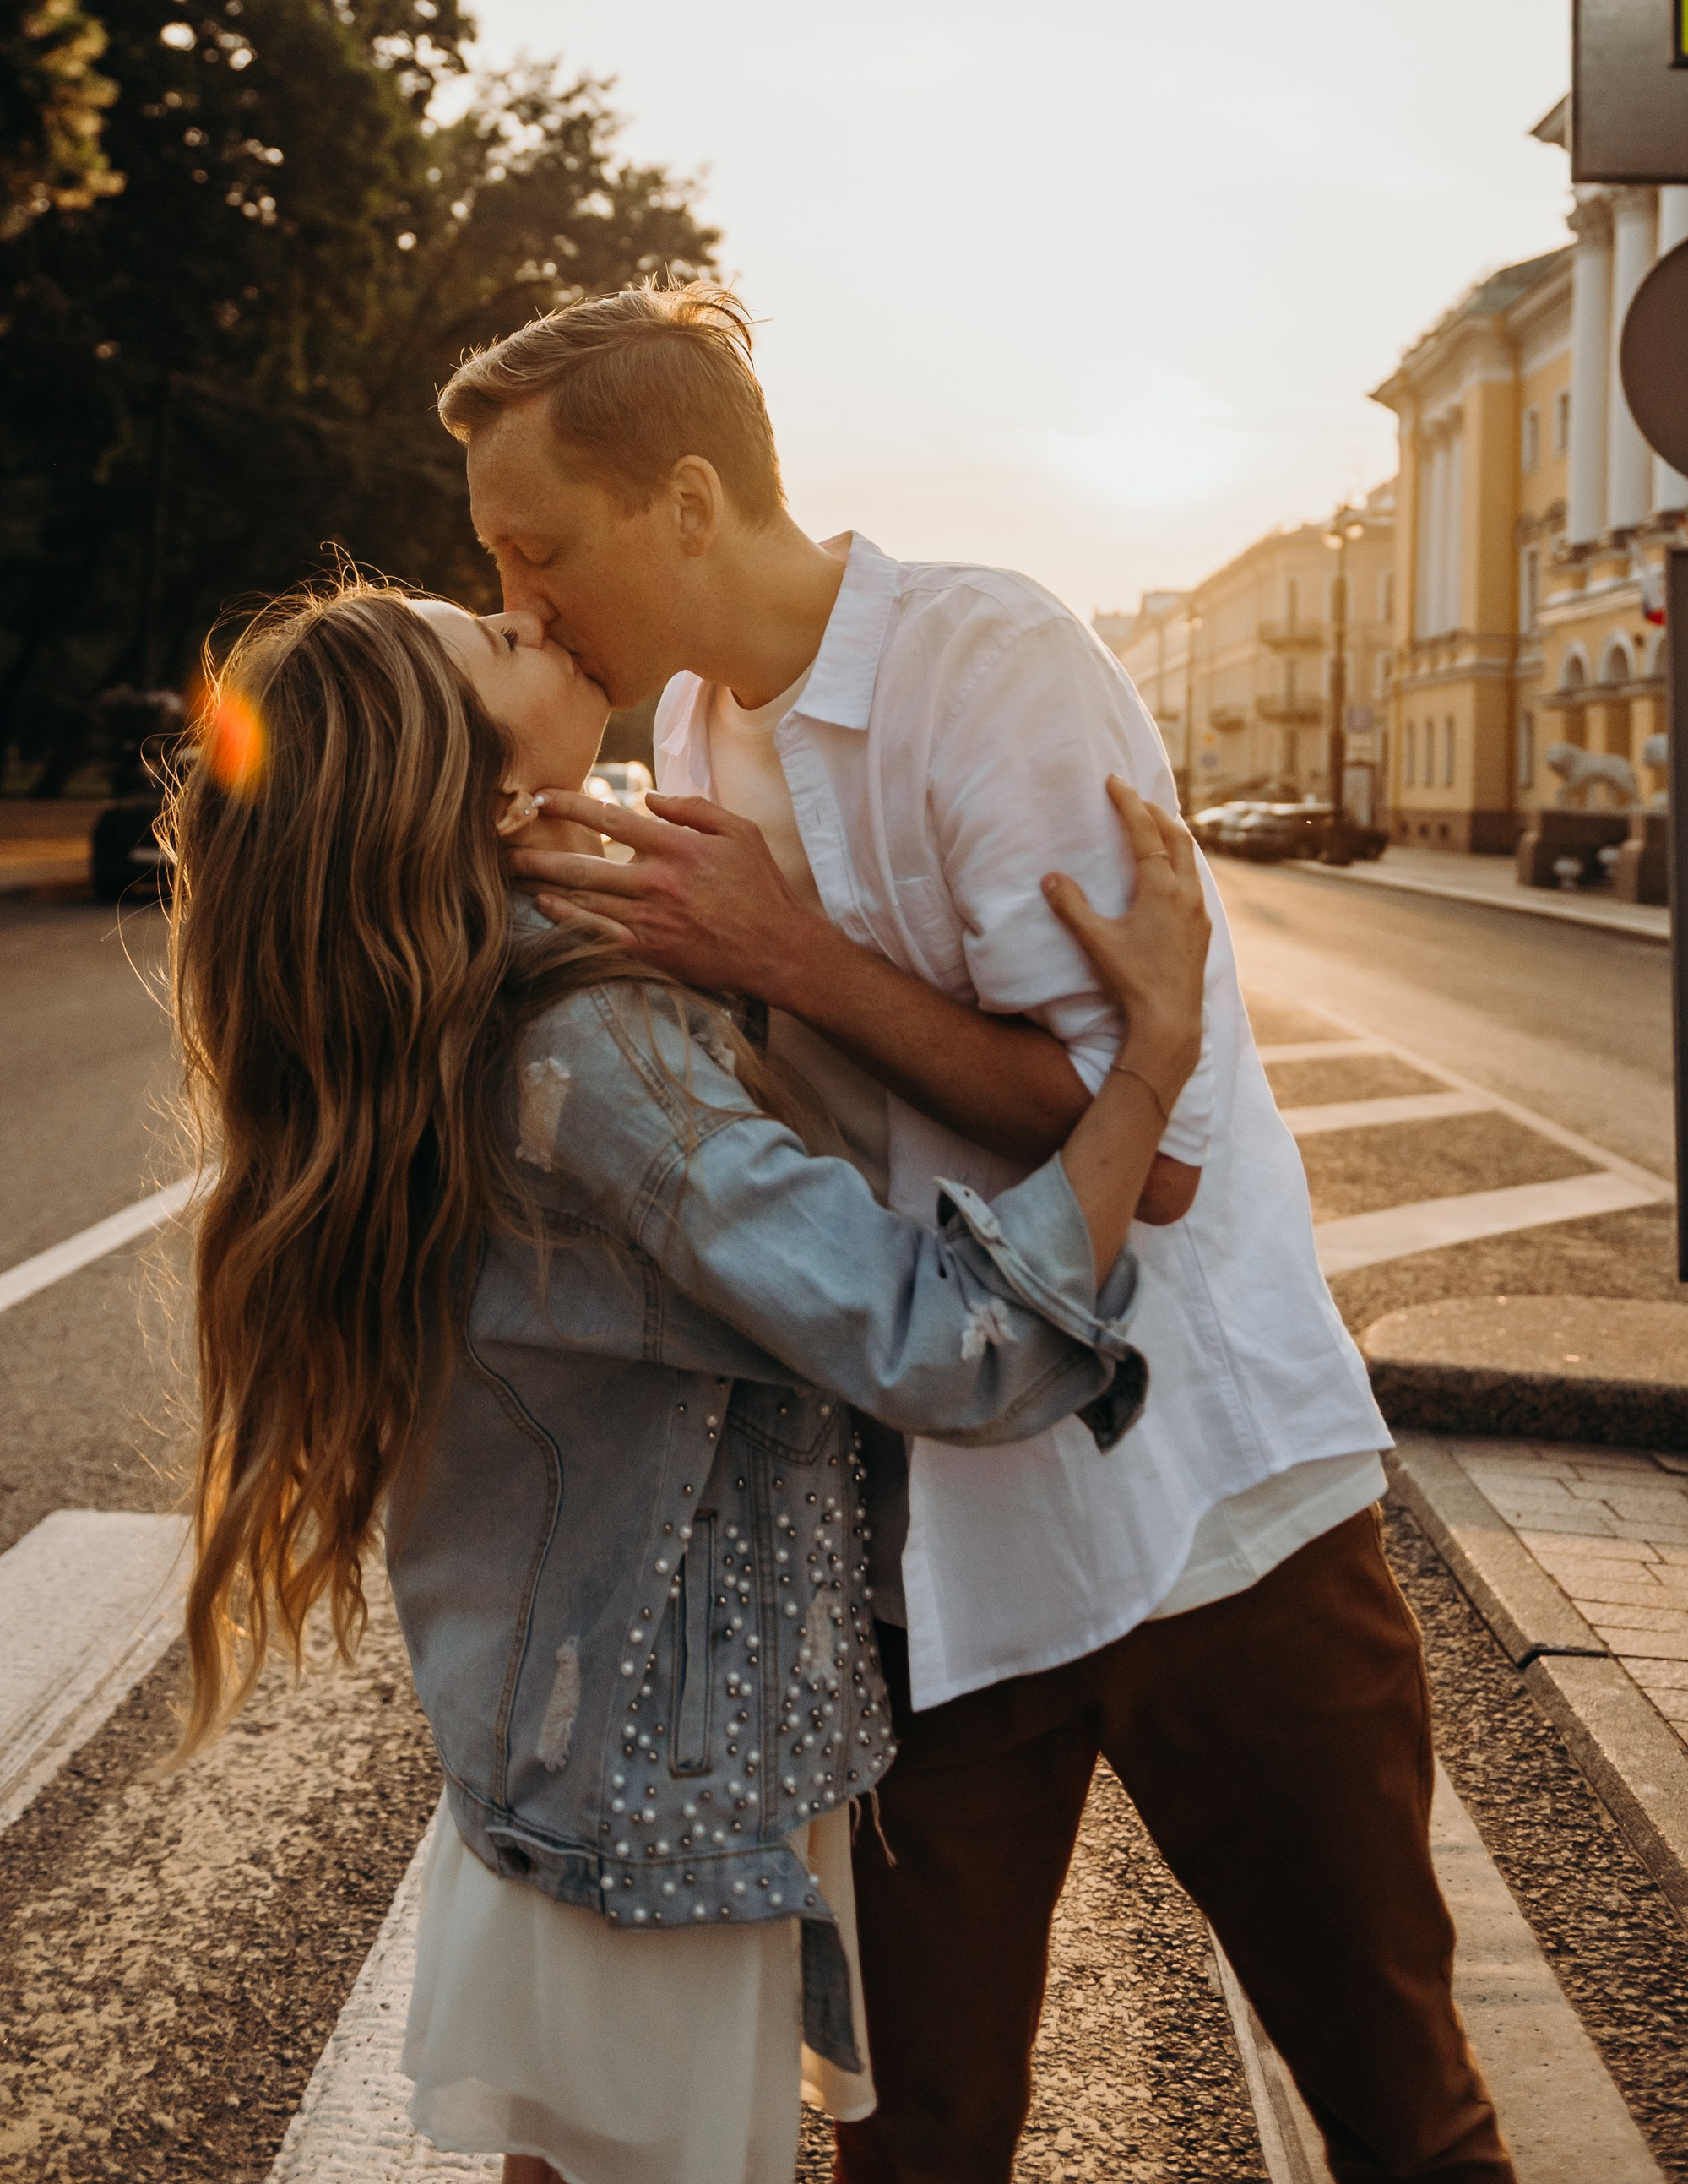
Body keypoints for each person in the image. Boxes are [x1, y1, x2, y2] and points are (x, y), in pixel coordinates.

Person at [442, 285, 1514, 2184]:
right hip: (922, 1556)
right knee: (912, 2137)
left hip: (1201, 1514)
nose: (523, 606)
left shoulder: (986, 659)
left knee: (1397, 2111)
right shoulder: (689, 730)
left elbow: (1153, 1148)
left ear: (686, 501)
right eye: (494, 573)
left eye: (539, 550)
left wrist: (790, 960)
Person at [165, 573, 1210, 2184]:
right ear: (463, 783)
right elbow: (952, 1344)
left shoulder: (471, 1004)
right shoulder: (584, 1051)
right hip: (655, 1787)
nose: (533, 620)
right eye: (492, 644)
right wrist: (1150, 1048)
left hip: (591, 1759)